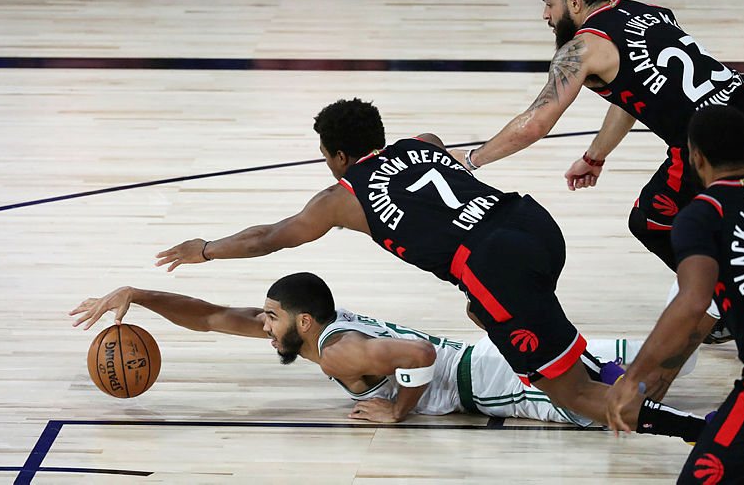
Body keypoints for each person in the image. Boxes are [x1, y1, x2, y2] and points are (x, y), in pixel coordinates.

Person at [153, 97, 705, 440]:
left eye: (326, 155)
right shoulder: (424, 142)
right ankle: (676, 331)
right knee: (497, 315)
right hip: (532, 223)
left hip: (492, 264)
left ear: (339, 157)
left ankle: (695, 430)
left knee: (574, 398)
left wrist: (204, 248)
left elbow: (268, 239)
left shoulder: (340, 197)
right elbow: (441, 170)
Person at [450, 0, 744, 347]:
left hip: (706, 139)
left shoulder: (582, 49)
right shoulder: (649, 12)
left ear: (573, 4)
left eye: (548, 3)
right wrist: (595, 156)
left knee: (651, 221)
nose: (545, 15)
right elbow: (632, 95)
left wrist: (471, 160)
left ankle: (726, 303)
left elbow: (536, 122)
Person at [71, 272, 655, 425]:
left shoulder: (338, 350)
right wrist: (138, 294)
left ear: (301, 319)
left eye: (270, 318)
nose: (262, 326)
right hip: (485, 358)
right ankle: (709, 323)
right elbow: (209, 317)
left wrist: (397, 413)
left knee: (625, 410)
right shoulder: (307, 330)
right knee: (642, 365)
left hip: (491, 384)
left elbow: (420, 358)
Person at [605, 106, 744, 482]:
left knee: (704, 475)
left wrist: (634, 380)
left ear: (695, 156)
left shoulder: (704, 213)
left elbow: (692, 302)